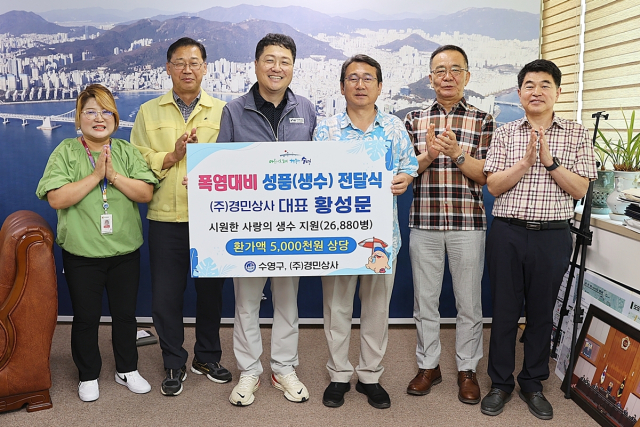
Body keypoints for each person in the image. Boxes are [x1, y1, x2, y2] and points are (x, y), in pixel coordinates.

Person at [480, 59, 596, 420]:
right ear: (519, 93)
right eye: (529, 85)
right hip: (508, 233)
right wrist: (525, 163)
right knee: (504, 312)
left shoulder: (577, 134)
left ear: (558, 92)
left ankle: (532, 383)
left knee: (542, 313)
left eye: (545, 85)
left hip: (552, 236)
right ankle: (500, 384)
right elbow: (493, 186)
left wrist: (549, 162)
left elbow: (580, 189)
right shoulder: (505, 132)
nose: (537, 91)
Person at [36, 84, 158, 402]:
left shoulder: (127, 151)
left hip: (125, 251)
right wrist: (95, 176)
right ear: (79, 118)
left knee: (125, 315)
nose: (99, 118)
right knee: (86, 318)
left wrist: (113, 176)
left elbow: (145, 193)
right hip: (82, 253)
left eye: (106, 111)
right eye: (90, 111)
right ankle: (88, 374)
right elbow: (56, 198)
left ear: (115, 118)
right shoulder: (65, 151)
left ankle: (127, 369)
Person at [313, 54, 418, 410]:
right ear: (342, 86)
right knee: (337, 307)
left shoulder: (394, 128)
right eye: (353, 78)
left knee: (376, 310)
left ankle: (370, 375)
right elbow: (312, 177)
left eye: (368, 78)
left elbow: (409, 166)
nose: (360, 84)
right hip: (337, 235)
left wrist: (405, 178)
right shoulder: (326, 130)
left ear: (380, 86)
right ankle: (339, 374)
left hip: (382, 238)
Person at [217, 33, 317, 407]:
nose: (277, 68)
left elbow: (322, 166)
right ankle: (249, 371)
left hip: (292, 225)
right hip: (248, 225)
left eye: (284, 61)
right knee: (246, 302)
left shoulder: (306, 109)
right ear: (257, 64)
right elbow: (220, 165)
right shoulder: (234, 111)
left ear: (293, 67)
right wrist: (204, 178)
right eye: (270, 60)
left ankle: (283, 368)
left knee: (287, 300)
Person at [131, 37, 231, 396]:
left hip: (210, 218)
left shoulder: (224, 111)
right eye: (179, 62)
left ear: (205, 68)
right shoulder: (148, 111)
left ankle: (207, 357)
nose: (187, 69)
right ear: (168, 68)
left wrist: (209, 170)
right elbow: (137, 159)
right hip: (165, 217)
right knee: (165, 297)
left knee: (211, 295)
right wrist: (172, 157)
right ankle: (173, 360)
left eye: (194, 62)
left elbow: (234, 161)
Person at [404, 45, 494, 405]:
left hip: (467, 222)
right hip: (424, 222)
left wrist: (456, 153)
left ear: (467, 76)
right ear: (430, 78)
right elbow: (405, 172)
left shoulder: (483, 120)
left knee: (468, 302)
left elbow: (485, 175)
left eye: (456, 69)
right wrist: (428, 154)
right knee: (425, 300)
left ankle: (467, 369)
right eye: (440, 70)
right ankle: (429, 366)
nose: (448, 77)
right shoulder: (413, 119)